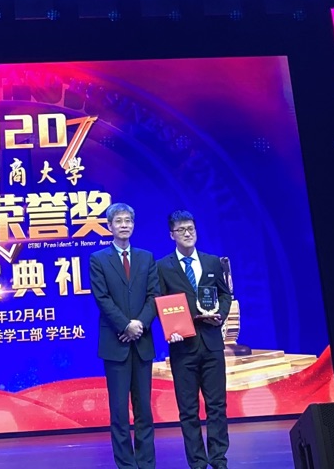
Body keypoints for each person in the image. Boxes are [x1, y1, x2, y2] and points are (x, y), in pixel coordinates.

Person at [155, 212, 233, 469]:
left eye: (190, 228)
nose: (187, 233)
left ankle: (218, 459)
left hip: (211, 344)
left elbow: (225, 294)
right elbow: (159, 302)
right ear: (172, 235)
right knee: (188, 410)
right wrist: (170, 328)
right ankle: (197, 462)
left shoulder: (212, 262)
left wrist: (220, 315)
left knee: (217, 405)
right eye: (181, 230)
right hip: (182, 347)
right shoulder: (162, 266)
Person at [89, 201, 158, 469]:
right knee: (119, 411)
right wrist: (125, 325)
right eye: (118, 221)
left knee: (144, 411)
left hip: (142, 342)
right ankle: (126, 465)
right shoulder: (98, 259)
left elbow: (153, 296)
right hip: (115, 343)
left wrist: (139, 324)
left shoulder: (146, 257)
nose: (124, 225)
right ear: (109, 226)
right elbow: (102, 298)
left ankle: (146, 463)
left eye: (128, 220)